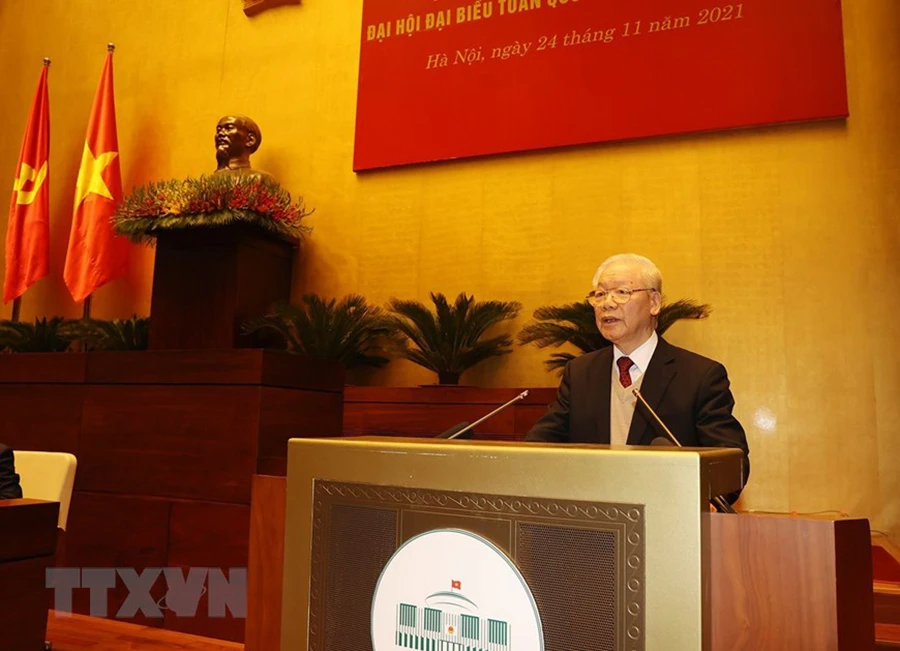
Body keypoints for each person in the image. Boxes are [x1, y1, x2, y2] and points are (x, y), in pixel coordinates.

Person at [525, 253, 750, 500]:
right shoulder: (580, 372)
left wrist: (702, 506)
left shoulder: (699, 376)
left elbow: (731, 463)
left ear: (654, 302)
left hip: (665, 514)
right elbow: (540, 446)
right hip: (592, 515)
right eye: (600, 294)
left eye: (621, 292)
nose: (607, 303)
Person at [213, 114, 275, 181]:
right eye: (218, 130)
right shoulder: (210, 180)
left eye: (229, 128)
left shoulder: (258, 179)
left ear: (250, 140)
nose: (221, 133)